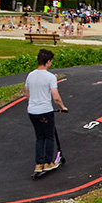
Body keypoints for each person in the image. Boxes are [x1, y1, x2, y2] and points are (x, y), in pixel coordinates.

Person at [24, 48, 67, 177]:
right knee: (49, 136)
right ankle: (48, 162)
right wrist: (62, 107)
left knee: (39, 137)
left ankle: (38, 164)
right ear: (48, 61)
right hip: (45, 111)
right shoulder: (50, 77)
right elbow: (56, 97)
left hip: (32, 111)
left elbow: (27, 94)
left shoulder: (30, 75)